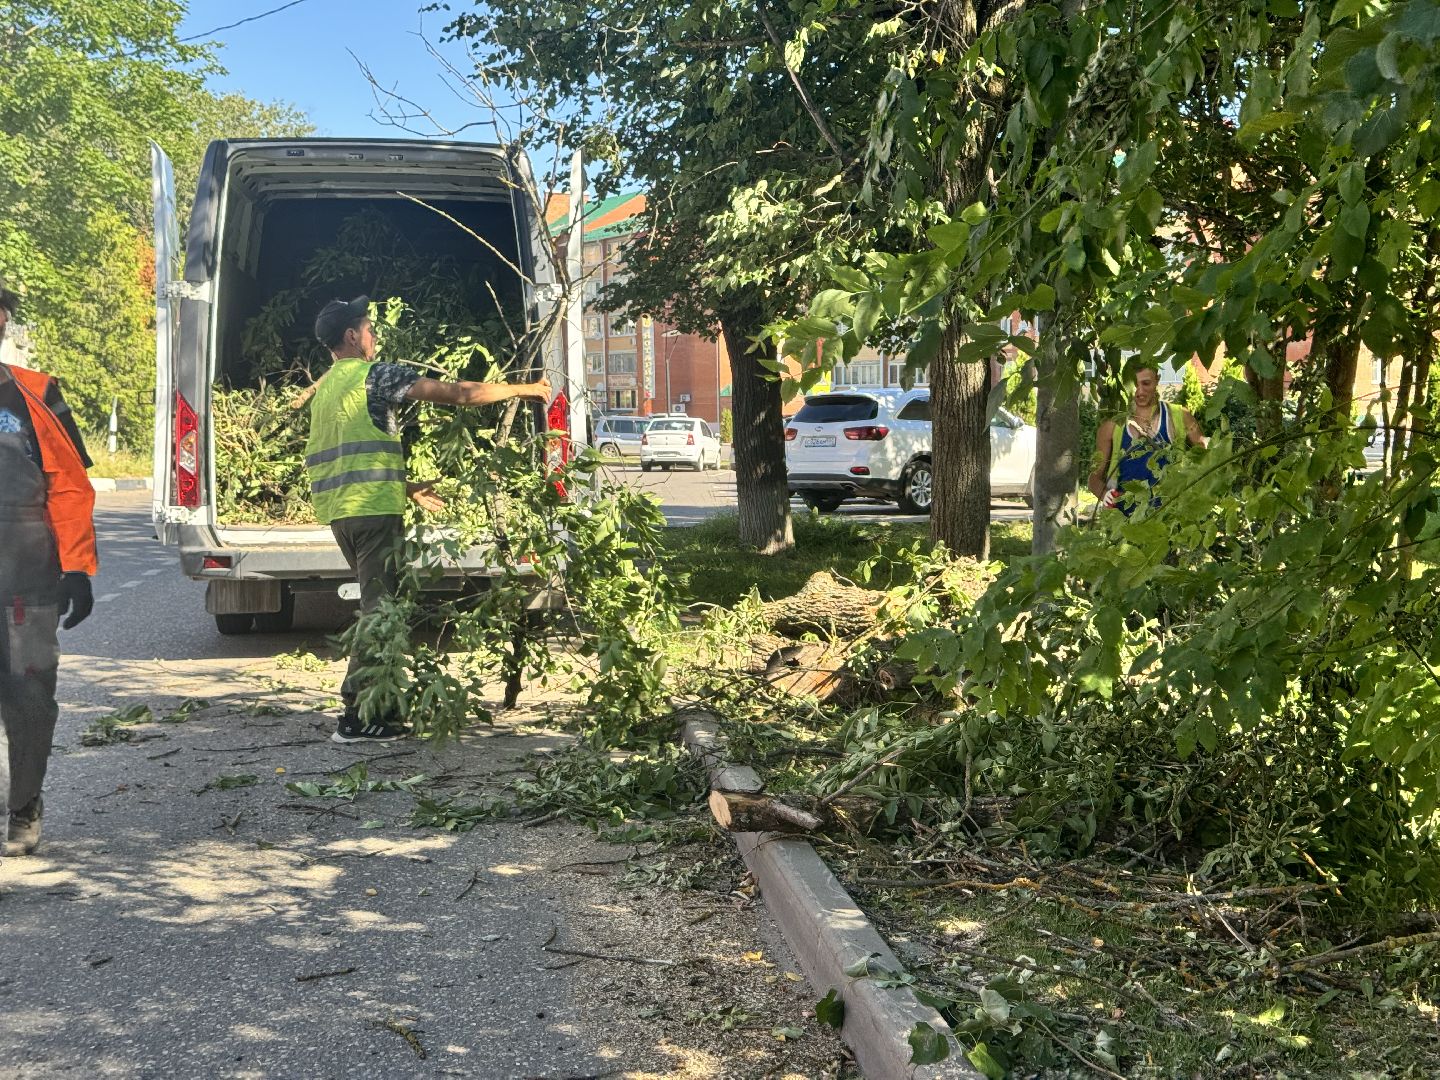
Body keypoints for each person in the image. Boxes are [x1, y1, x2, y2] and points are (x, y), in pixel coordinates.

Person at [307, 296, 551, 743]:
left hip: (344, 513)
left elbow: (348, 455)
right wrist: (522, 389)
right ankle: (359, 718)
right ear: (350, 336)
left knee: (380, 605)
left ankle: (377, 708)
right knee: (381, 611)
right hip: (373, 513)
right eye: (368, 328)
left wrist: (404, 487)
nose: (374, 335)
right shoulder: (374, 375)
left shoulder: (326, 388)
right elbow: (458, 394)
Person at [0, 278, 97, 857]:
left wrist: (77, 568)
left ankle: (23, 804)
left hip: (26, 582)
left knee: (30, 700)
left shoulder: (34, 395)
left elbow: (69, 486)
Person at [1088, 366, 1205, 514]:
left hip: (1171, 519)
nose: (1140, 391)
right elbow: (1093, 479)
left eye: (1146, 383)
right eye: (1135, 385)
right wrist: (1105, 495)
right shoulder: (1112, 427)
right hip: (1124, 522)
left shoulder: (1179, 416)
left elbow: (1205, 459)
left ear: (1157, 380)